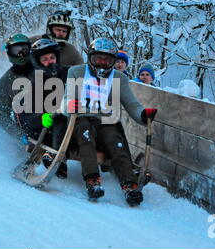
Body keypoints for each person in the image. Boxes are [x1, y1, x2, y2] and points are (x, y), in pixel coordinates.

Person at [62, 38, 158, 206]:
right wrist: (71, 105)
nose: (102, 64)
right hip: (81, 118)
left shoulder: (119, 78)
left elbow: (131, 104)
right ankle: (92, 180)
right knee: (85, 132)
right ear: (91, 58)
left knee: (115, 141)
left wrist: (143, 115)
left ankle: (129, 184)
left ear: (113, 62)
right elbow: (67, 97)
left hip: (106, 120)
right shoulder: (76, 72)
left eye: (107, 60)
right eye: (98, 59)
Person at [23, 38, 69, 179]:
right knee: (58, 118)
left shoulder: (67, 74)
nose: (50, 62)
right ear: (38, 62)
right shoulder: (34, 81)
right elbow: (28, 118)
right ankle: (57, 159)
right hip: (43, 128)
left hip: (69, 124)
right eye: (45, 59)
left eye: (52, 58)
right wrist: (42, 117)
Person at [0, 34, 33, 138]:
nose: (21, 55)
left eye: (24, 50)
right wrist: (18, 134)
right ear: (9, 53)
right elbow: (1, 116)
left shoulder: (42, 67)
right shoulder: (4, 82)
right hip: (28, 127)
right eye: (16, 51)